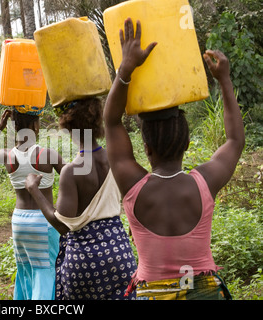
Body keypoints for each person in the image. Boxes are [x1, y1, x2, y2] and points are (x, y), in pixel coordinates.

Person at [103, 18, 245, 300]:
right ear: (187, 143)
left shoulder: (132, 184)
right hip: (204, 293)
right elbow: (235, 140)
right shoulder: (205, 183)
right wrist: (224, 80)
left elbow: (111, 121)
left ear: (146, 147)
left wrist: (126, 69)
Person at [25, 98, 137, 300]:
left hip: (84, 261)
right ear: (97, 124)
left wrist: (35, 190)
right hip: (119, 252)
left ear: (68, 129)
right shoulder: (115, 158)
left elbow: (62, 225)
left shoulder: (71, 172)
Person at [0, 106, 65, 300]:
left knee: (25, 271)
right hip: (44, 221)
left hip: (19, 222)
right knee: (45, 271)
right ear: (35, 126)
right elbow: (71, 177)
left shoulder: (8, 155)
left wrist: (0, 127)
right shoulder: (47, 154)